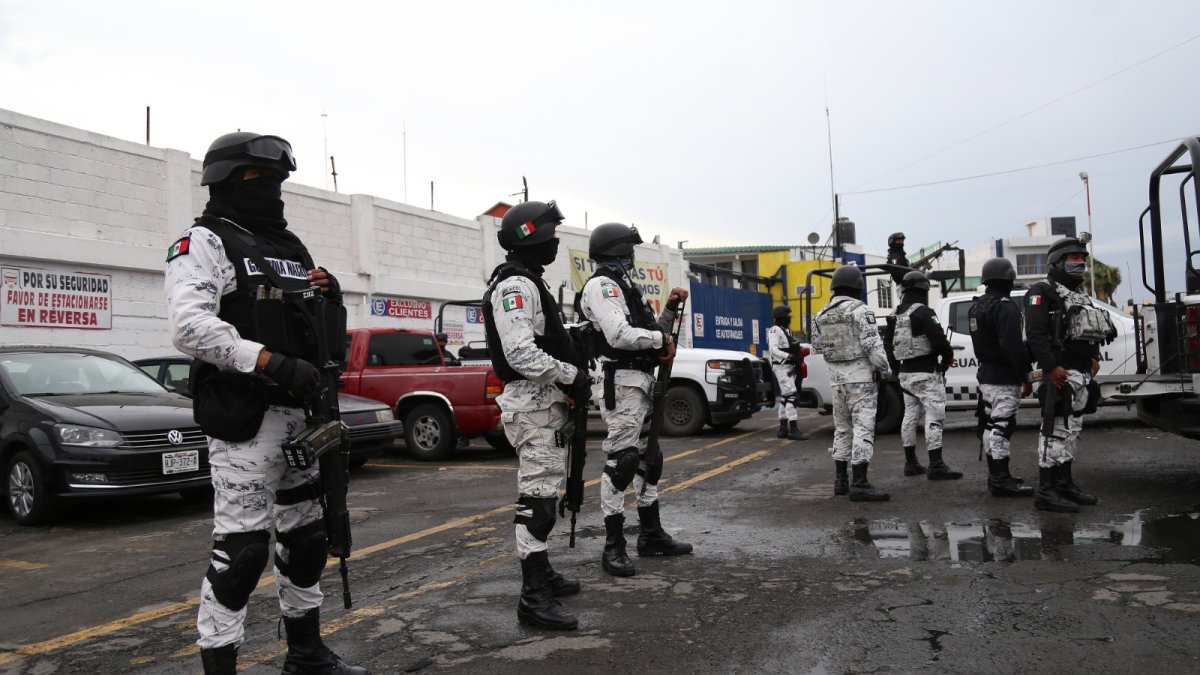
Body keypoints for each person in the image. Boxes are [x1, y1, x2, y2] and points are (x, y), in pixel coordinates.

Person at [166, 132, 368, 675]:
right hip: (245, 419)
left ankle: (305, 654)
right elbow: (190, 327)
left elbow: (314, 330)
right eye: (262, 181)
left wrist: (328, 298)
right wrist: (269, 361)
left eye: (279, 181)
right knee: (243, 554)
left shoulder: (290, 246)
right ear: (230, 180)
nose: (273, 191)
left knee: (306, 541)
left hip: (303, 419)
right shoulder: (205, 241)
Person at [481, 200, 585, 631]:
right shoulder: (515, 286)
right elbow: (520, 352)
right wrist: (571, 375)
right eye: (552, 234)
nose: (557, 242)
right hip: (531, 403)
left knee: (547, 493)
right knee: (538, 503)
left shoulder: (529, 282)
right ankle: (533, 598)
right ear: (534, 236)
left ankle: (543, 574)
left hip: (544, 403)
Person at [577, 222, 692, 578]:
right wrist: (661, 342)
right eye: (629, 250)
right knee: (623, 461)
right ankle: (614, 546)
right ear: (618, 251)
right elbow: (620, 335)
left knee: (648, 457)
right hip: (622, 382)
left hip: (641, 382)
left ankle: (651, 533)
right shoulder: (602, 285)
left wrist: (670, 311)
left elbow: (652, 328)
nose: (632, 256)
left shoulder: (624, 286)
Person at [1025, 237, 1115, 513]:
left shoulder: (1078, 294)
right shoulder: (1041, 291)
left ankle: (1064, 484)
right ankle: (1047, 491)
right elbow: (1036, 335)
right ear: (1058, 261)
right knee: (1054, 431)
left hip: (1080, 373)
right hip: (1059, 374)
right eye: (1073, 258)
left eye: (1082, 257)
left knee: (1072, 431)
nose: (1080, 262)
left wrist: (1094, 356)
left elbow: (1086, 329)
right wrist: (1051, 367)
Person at [811, 265, 891, 501]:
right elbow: (873, 345)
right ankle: (860, 483)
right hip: (861, 379)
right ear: (857, 286)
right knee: (863, 428)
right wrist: (885, 370)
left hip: (836, 380)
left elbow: (817, 345)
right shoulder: (861, 310)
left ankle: (841, 481)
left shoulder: (821, 314)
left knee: (842, 428)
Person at [969, 258, 1034, 498]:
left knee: (990, 425)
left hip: (986, 375)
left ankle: (997, 475)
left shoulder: (977, 306)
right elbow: (1013, 348)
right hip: (1004, 377)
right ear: (1008, 279)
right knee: (1002, 426)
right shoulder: (1005, 307)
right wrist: (1025, 376)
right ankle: (1000, 480)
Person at [892, 270, 960, 480]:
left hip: (905, 375)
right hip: (926, 374)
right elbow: (938, 339)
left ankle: (910, 463)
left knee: (910, 416)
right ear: (924, 290)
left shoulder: (895, 314)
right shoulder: (924, 312)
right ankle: (936, 465)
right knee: (934, 415)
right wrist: (948, 355)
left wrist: (896, 372)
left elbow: (888, 345)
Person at [767, 304, 807, 441]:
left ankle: (783, 429)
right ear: (782, 317)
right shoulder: (775, 330)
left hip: (789, 367)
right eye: (787, 316)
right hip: (782, 367)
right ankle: (793, 429)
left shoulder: (785, 330)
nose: (789, 318)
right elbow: (774, 350)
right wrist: (789, 356)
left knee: (785, 397)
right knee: (792, 396)